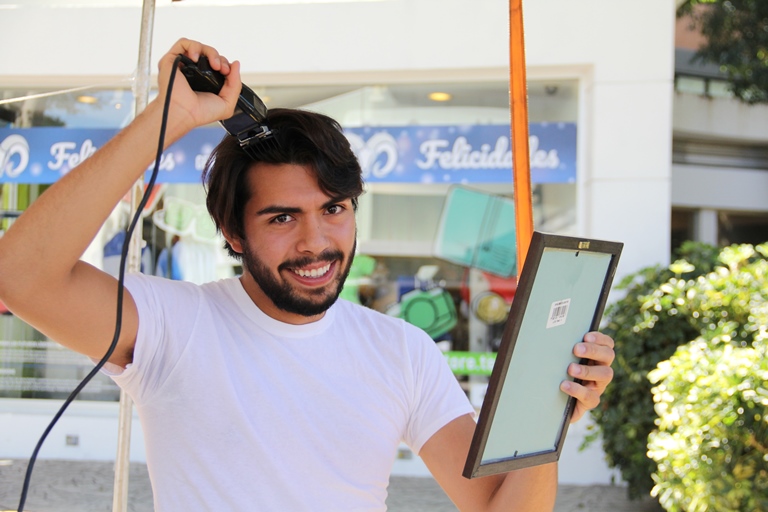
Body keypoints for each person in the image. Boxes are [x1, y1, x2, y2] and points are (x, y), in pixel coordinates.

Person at [0, 39, 616, 511]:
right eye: (282, 217)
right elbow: (20, 276)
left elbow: (493, 505)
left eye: (334, 209)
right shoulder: (172, 325)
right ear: (234, 234)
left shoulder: (401, 350)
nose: (315, 240)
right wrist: (169, 117)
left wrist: (548, 413)